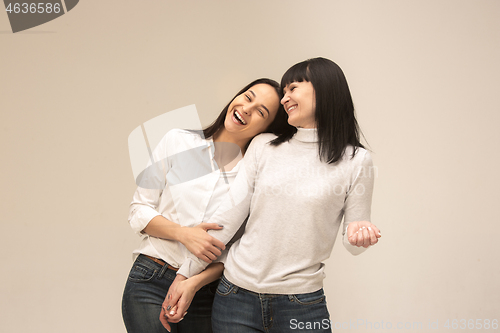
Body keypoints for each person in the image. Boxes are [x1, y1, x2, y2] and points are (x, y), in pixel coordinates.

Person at [163, 58, 381, 333]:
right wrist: (186, 273)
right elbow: (227, 221)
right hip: (235, 298)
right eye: (284, 91)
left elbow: (352, 238)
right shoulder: (264, 146)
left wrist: (357, 237)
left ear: (325, 90)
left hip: (301, 304)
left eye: (293, 88)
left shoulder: (356, 161)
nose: (285, 98)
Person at [121, 78, 294, 333]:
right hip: (151, 277)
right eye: (248, 97)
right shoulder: (176, 141)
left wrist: (193, 283)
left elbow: (243, 248)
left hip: (206, 292)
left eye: (260, 111)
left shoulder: (257, 177)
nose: (247, 108)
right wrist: (184, 234)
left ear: (267, 129)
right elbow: (138, 210)